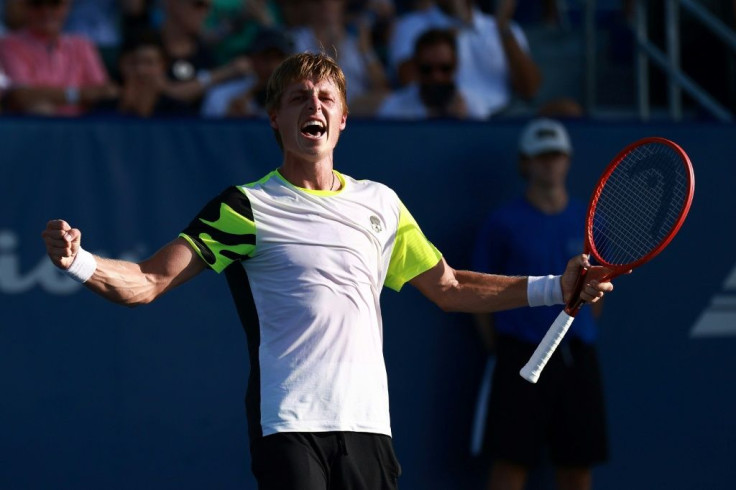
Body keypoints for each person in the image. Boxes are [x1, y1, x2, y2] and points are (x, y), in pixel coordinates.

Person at [41, 53, 612, 490]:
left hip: (369, 426)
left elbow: (452, 287)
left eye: (323, 97)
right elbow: (149, 281)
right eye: (296, 98)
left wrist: (555, 288)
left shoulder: (381, 205)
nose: (312, 106)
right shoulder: (244, 207)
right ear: (275, 118)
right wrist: (79, 262)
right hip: (289, 424)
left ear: (341, 119)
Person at [471, 118, 608, 490]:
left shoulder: (588, 221)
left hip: (577, 356)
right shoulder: (502, 223)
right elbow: (478, 292)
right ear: (525, 163)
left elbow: (598, 293)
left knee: (577, 469)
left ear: (568, 160)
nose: (549, 163)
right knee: (510, 467)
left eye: (556, 155)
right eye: (541, 156)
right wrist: (505, 348)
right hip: (520, 357)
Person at [388, 0, 541, 118]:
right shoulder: (411, 25)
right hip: (442, 118)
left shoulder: (500, 27)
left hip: (501, 117)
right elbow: (409, 82)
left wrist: (503, 28)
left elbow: (530, 89)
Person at [0, 0, 118, 116]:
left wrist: (44, 95)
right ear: (25, 7)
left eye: (54, 4)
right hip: (30, 131)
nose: (46, 11)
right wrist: (77, 94)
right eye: (37, 4)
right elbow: (20, 95)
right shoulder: (9, 44)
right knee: (40, 110)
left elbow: (105, 92)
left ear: (67, 6)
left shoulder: (82, 45)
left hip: (81, 129)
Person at [376, 27, 487, 120]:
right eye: (427, 69)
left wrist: (463, 125)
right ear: (415, 66)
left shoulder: (473, 106)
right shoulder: (394, 109)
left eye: (445, 68)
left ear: (456, 65)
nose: (436, 77)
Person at [200, 26, 292, 118]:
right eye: (266, 58)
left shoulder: (300, 98)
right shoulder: (221, 97)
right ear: (252, 58)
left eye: (279, 58)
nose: (273, 66)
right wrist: (231, 120)